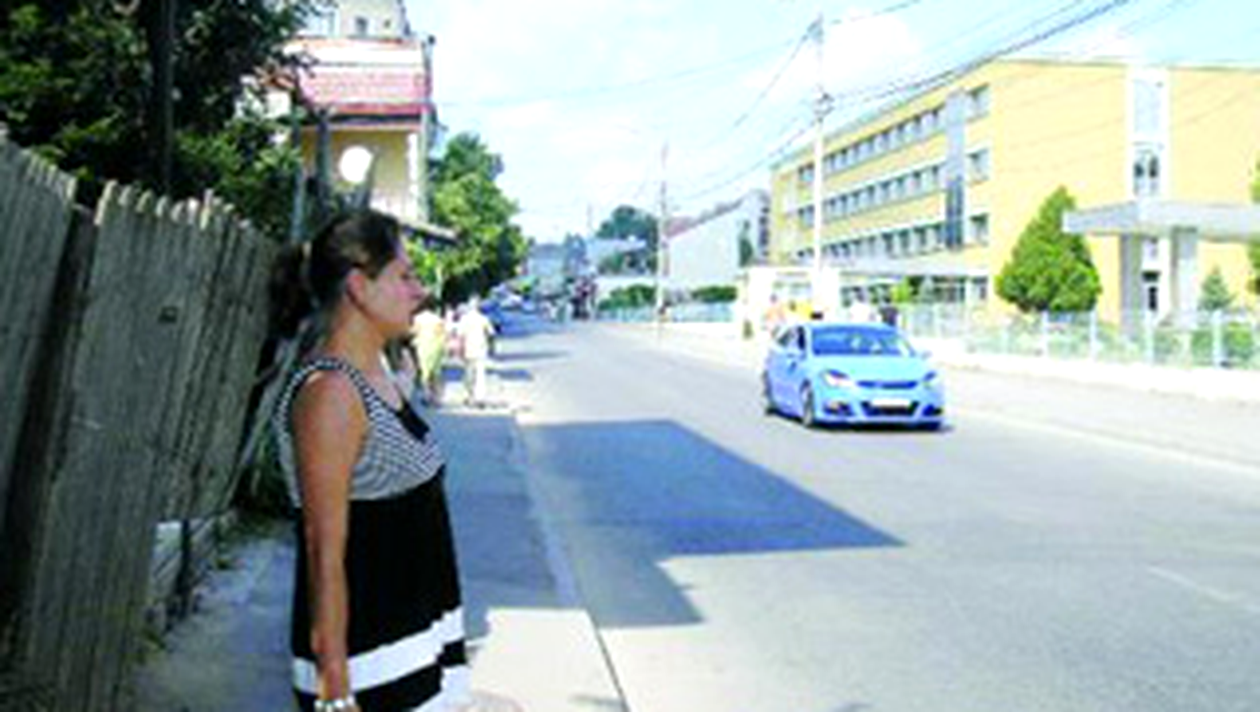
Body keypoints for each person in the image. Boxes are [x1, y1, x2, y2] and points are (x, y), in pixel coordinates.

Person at [269, 211, 470, 712]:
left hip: (415, 640)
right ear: (359, 287)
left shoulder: (375, 377)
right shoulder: (331, 393)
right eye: (405, 276)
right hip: (371, 664)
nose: (420, 291)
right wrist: (335, 691)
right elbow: (323, 550)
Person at [456, 297, 495, 407]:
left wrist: (460, 350)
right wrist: (492, 348)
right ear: (478, 307)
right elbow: (491, 334)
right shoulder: (484, 319)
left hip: (468, 350)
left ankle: (469, 397)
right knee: (480, 375)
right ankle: (480, 398)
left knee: (469, 375)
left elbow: (460, 336)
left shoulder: (464, 319)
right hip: (481, 350)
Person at [410, 300, 447, 406]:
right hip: (436, 347)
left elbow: (415, 331)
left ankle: (427, 396)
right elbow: (441, 334)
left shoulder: (418, 318)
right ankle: (437, 398)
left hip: (423, 347)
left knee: (425, 373)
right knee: (436, 373)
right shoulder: (438, 319)